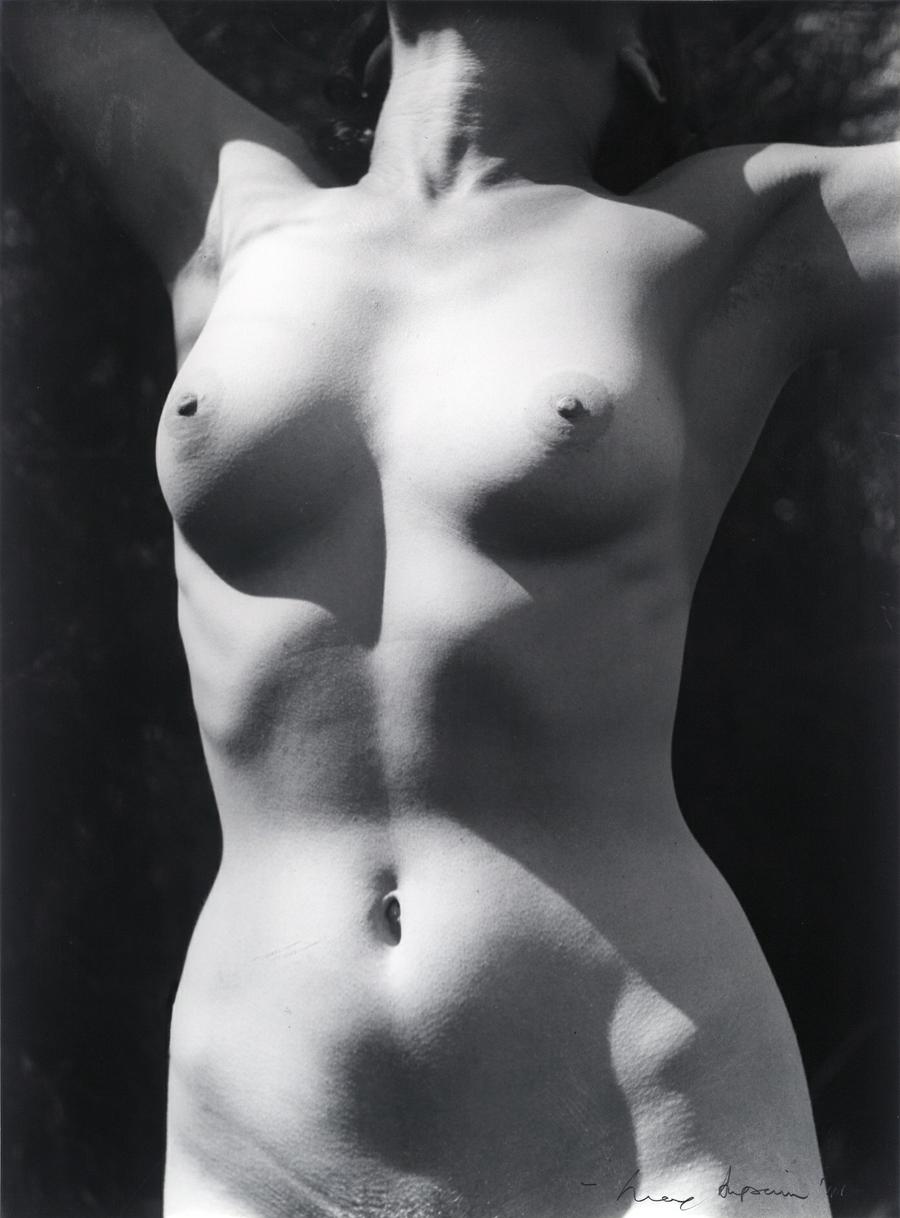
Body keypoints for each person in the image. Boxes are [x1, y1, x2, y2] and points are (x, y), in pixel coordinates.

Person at [4, 3, 898, 1216]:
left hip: (653, 1110)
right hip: (264, 1135)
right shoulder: (230, 209)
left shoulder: (721, 238)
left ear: (637, 40)